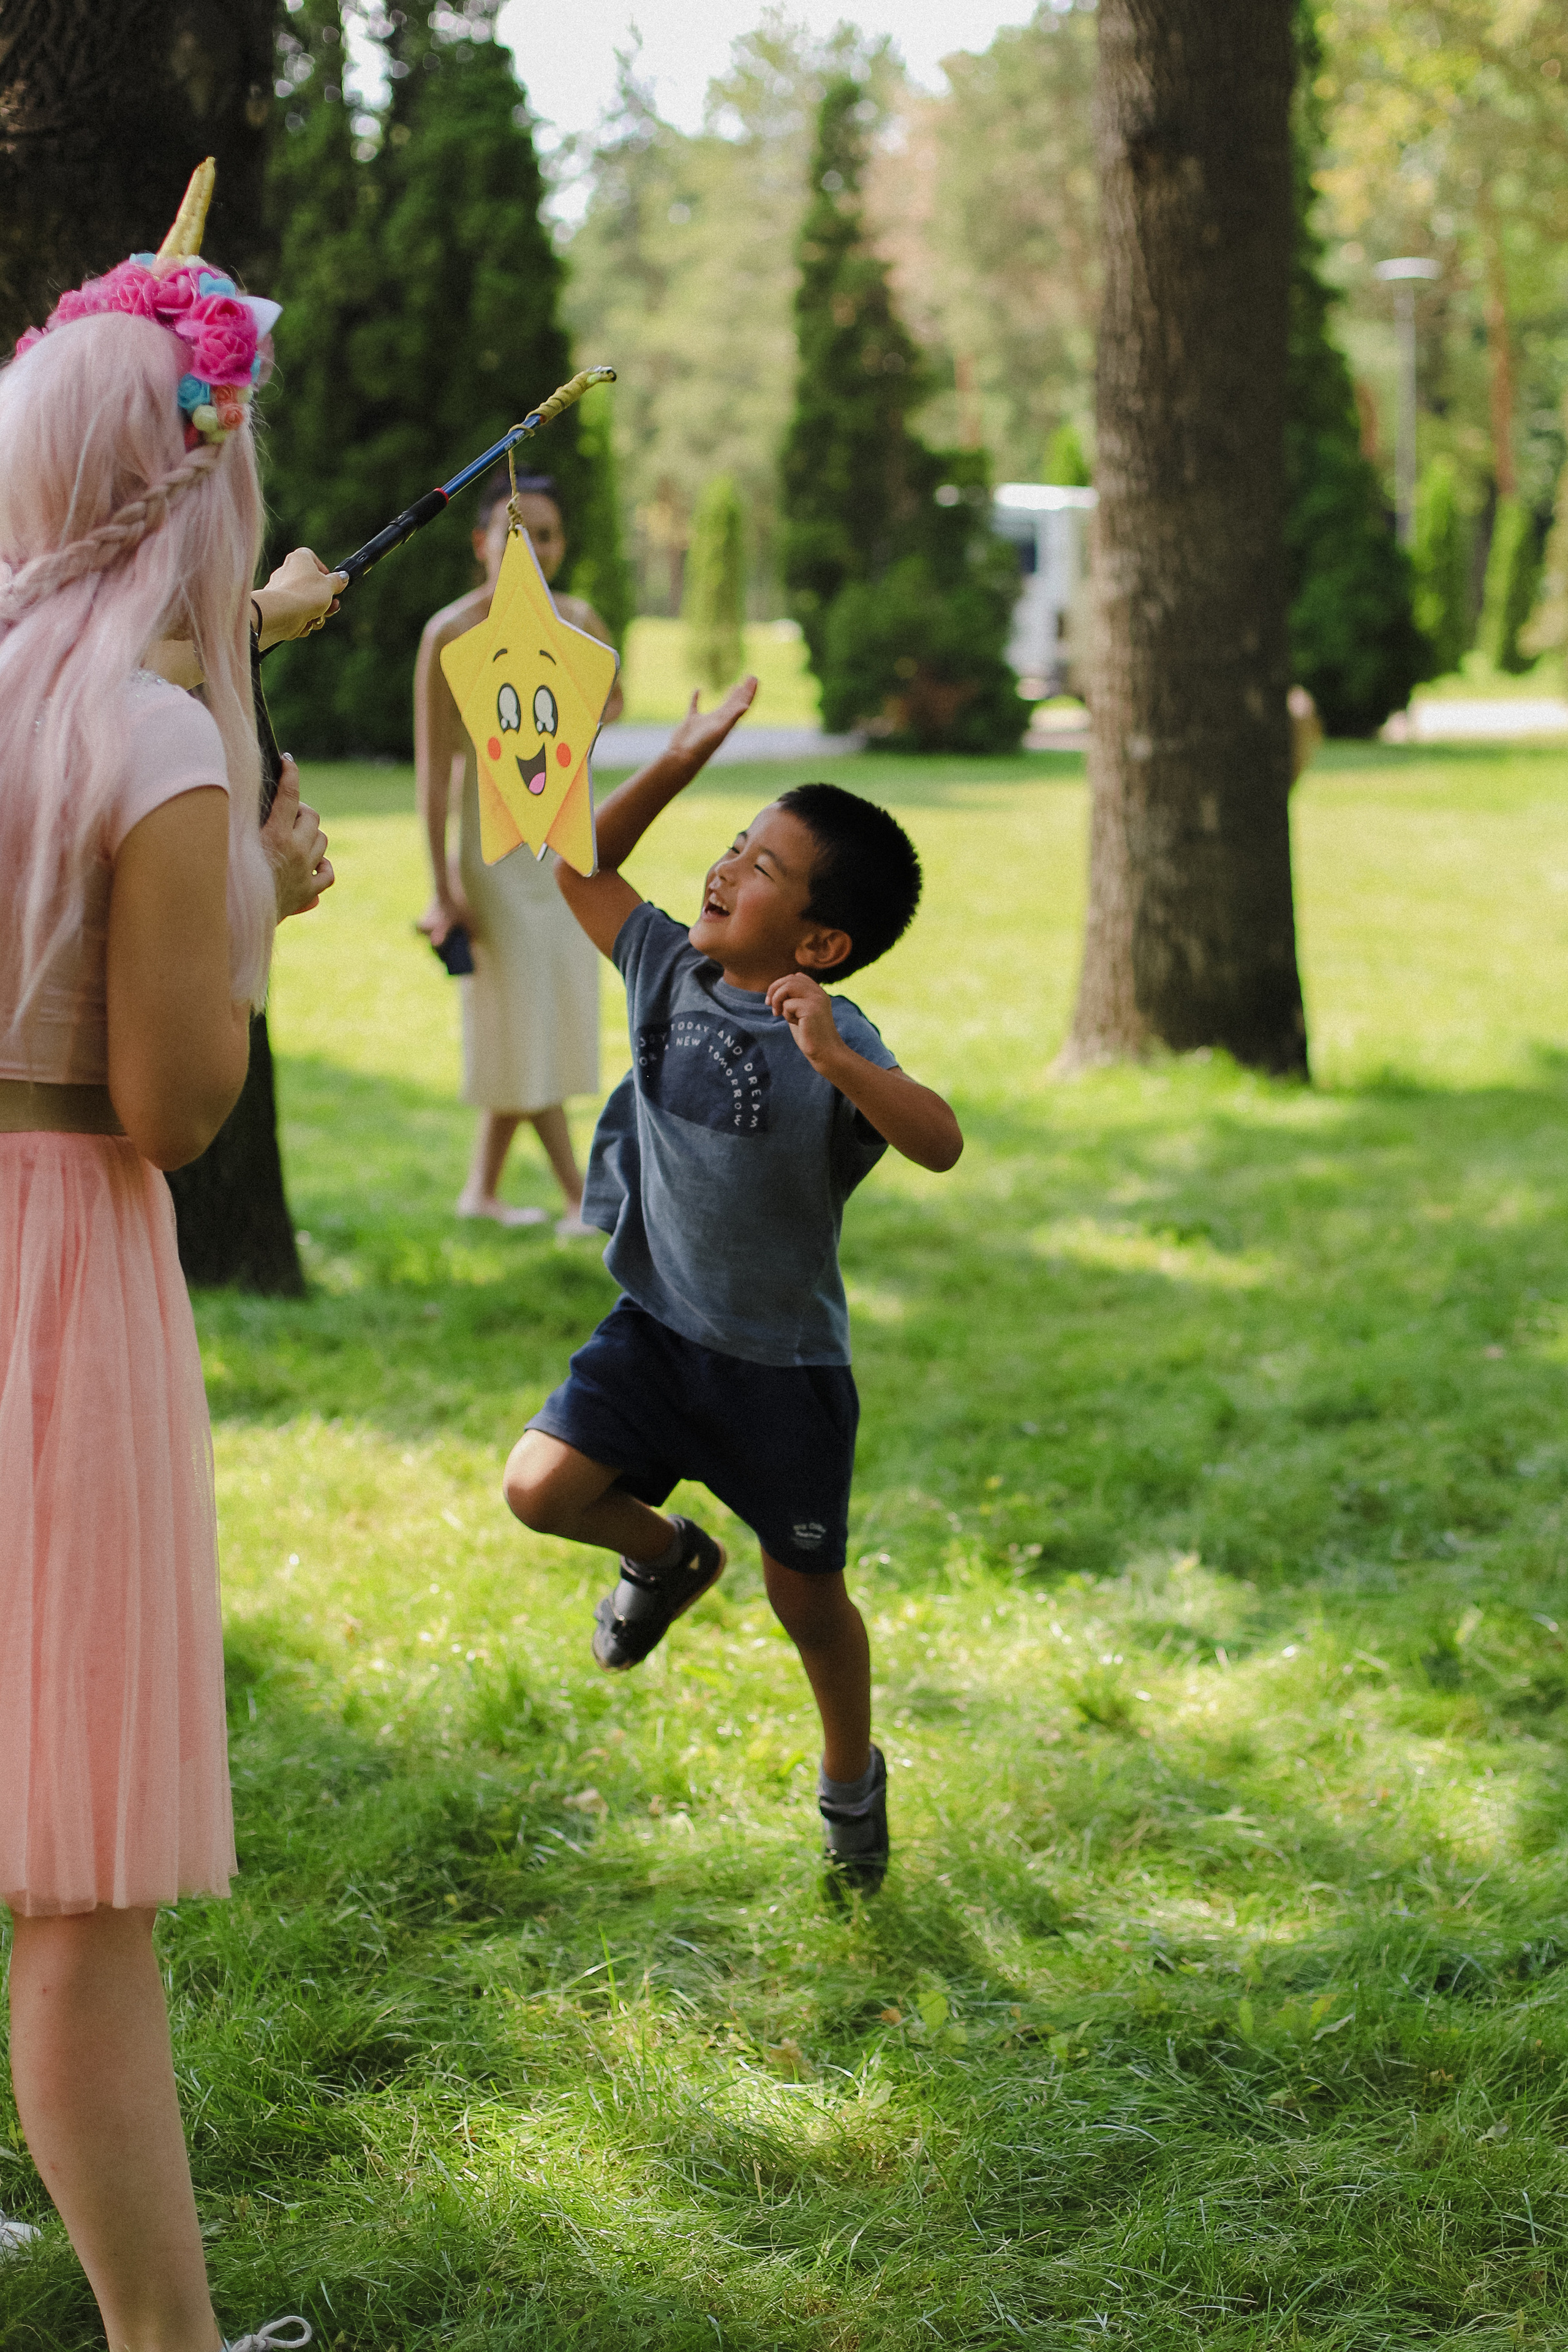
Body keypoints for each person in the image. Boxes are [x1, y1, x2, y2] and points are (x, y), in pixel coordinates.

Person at [0, 243, 337, 2352]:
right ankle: (168, 2348)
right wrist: (261, 916)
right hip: (52, 1284)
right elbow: (171, 1103)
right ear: (191, 487)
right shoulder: (144, 737)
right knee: (75, 1891)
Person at [501, 680, 963, 1887]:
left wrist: (837, 1065)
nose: (724, 869)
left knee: (809, 1606)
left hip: (781, 1373)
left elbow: (938, 1140)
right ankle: (665, 1557)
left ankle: (848, 1783)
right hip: (655, 1330)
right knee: (538, 1490)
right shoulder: (665, 970)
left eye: (761, 869)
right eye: (732, 845)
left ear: (817, 943)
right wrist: (677, 762)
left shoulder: (834, 1029)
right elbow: (577, 870)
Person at [415, 469, 624, 1235]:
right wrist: (442, 887)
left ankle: (482, 1189)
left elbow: (611, 708)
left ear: (563, 547)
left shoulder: (582, 623)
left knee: (538, 1016)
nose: (530, 548)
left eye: (545, 534)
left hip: (567, 853)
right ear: (479, 544)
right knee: (524, 1015)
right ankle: (582, 1198)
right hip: (494, 861)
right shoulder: (450, 635)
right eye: (513, 532)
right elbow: (435, 776)